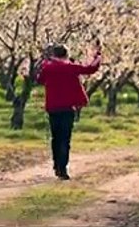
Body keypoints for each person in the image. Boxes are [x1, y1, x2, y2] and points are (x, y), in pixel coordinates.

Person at [35, 41, 102, 180]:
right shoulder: (71, 67)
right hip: (67, 108)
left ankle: (56, 165)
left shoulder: (48, 68)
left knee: (56, 138)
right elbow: (90, 69)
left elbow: (39, 79)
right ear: (67, 55)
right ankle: (63, 169)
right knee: (65, 139)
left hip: (52, 107)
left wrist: (41, 63)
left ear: (54, 55)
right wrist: (98, 57)